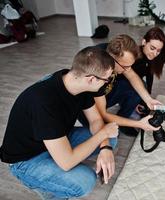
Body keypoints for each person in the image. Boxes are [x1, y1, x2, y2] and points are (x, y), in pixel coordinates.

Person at [0, 47, 119, 199]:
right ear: (91, 79)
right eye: (107, 79)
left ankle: (57, 169)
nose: (108, 83)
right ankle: (49, 190)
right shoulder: (44, 102)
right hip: (27, 160)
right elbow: (66, 162)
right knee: (85, 181)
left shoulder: (75, 81)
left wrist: (106, 147)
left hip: (57, 138)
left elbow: (95, 120)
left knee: (111, 139)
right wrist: (103, 134)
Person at [78, 34, 162, 184]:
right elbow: (101, 115)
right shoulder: (98, 71)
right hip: (86, 109)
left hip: (103, 95)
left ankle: (125, 121)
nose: (128, 70)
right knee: (109, 139)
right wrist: (140, 124)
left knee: (136, 86)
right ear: (111, 58)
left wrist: (148, 100)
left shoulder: (111, 54)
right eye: (125, 66)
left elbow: (131, 75)